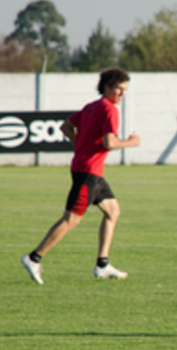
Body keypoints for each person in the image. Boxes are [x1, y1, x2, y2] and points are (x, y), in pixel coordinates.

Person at [21, 68, 141, 285]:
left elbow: (66, 126)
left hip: (88, 170)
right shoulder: (110, 110)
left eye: (125, 90)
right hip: (88, 173)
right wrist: (130, 143)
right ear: (107, 87)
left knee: (113, 211)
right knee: (71, 220)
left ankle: (102, 265)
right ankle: (33, 258)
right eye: (118, 89)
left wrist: (80, 145)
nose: (122, 94)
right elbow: (109, 143)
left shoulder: (91, 107)